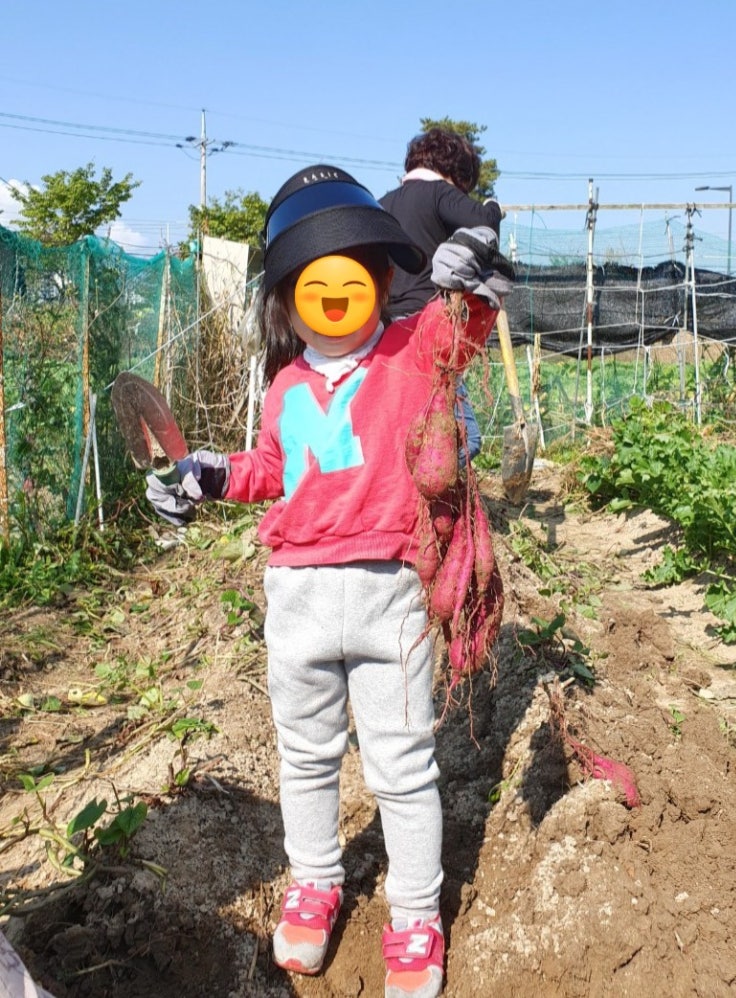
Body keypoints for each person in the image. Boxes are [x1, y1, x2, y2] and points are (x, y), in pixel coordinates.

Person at [145, 164, 512, 998]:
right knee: (305, 759)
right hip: (299, 598)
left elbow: (466, 326)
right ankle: (315, 879)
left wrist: (472, 268)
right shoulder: (284, 386)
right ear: (288, 297)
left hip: (388, 593)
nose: (337, 290)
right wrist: (205, 474)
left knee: (401, 766)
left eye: (356, 272)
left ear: (383, 280)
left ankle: (415, 915)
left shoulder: (414, 352)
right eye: (316, 278)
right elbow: (270, 470)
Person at [380, 128, 509, 464]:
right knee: (467, 437)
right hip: (428, 332)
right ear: (456, 173)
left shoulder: (382, 204)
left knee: (408, 423)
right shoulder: (438, 192)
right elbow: (485, 225)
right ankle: (416, 492)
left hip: (385, 336)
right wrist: (494, 207)